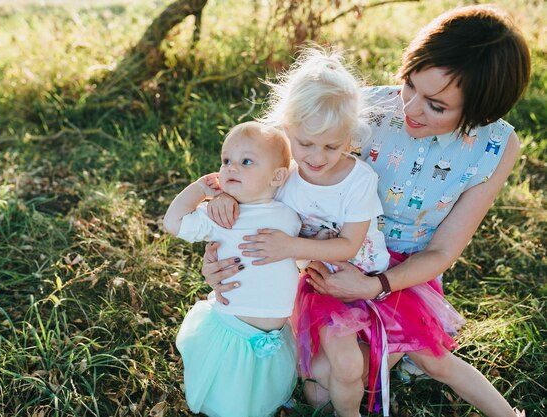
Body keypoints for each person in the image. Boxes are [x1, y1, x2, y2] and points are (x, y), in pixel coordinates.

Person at [201, 4, 531, 417]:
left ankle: (399, 354)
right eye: (409, 84)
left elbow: (444, 251)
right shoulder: (365, 109)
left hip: (404, 276)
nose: (409, 108)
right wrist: (228, 199)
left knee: (370, 375)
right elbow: (268, 156)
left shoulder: (495, 146)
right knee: (321, 393)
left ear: (481, 112)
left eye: (437, 106)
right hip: (322, 259)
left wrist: (374, 286)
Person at [163, 121, 302, 417]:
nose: (231, 168)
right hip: (233, 329)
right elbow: (172, 223)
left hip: (275, 330)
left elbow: (301, 254)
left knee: (263, 385)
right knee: (230, 396)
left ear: (278, 176)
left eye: (246, 161)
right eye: (226, 161)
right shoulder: (220, 214)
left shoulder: (290, 213)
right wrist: (200, 189)